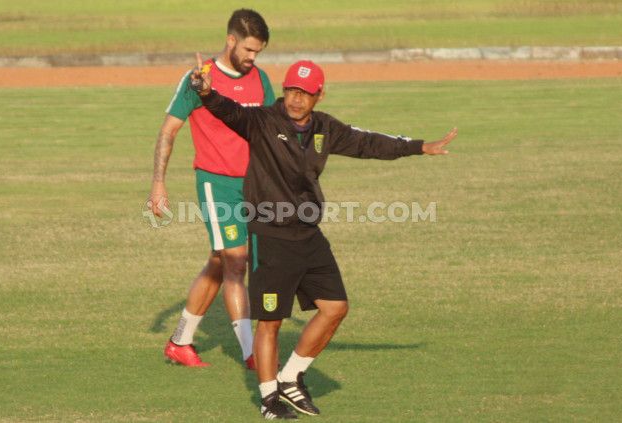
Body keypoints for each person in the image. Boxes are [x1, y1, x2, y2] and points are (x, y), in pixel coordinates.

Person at [189, 57, 458, 419]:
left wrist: (418, 147)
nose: (296, 99)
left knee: (335, 308)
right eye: (291, 91)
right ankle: (269, 401)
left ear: (319, 95)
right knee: (270, 323)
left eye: (305, 93)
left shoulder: (325, 129)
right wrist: (205, 89)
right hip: (271, 236)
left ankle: (291, 377)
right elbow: (226, 109)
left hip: (309, 237)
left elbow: (368, 143)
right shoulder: (262, 121)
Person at [148, 9, 274, 369]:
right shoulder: (199, 79)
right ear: (231, 40)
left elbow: (267, 133)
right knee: (237, 263)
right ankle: (252, 353)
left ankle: (180, 341)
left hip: (253, 186)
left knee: (220, 262)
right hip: (216, 184)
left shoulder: (261, 79)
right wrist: (158, 184)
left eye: (258, 52)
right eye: (249, 50)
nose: (253, 58)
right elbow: (168, 131)